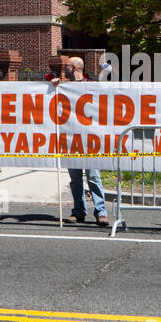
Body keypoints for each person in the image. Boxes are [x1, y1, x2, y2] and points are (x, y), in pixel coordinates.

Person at [51, 56, 106, 226]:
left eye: (67, 65)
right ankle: (79, 211)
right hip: (71, 139)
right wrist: (54, 86)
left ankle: (101, 212)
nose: (64, 68)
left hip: (90, 140)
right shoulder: (63, 85)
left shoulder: (93, 83)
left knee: (93, 177)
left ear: (75, 68)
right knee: (75, 179)